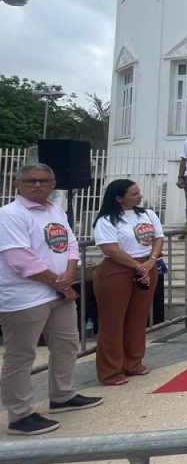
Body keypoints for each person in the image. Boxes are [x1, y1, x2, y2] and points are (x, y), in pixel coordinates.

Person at [0, 164, 102, 434]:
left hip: (59, 291)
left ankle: (63, 395)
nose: (38, 185)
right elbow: (19, 259)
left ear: (53, 184)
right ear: (17, 184)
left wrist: (69, 274)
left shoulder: (56, 211)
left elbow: (70, 245)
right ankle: (20, 414)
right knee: (21, 356)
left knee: (66, 345)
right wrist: (61, 283)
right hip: (25, 297)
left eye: (44, 181)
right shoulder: (9, 215)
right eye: (31, 181)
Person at [91, 179, 164, 386]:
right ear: (118, 198)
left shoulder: (147, 214)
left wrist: (150, 261)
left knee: (138, 318)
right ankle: (111, 370)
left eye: (138, 192)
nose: (139, 196)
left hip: (147, 266)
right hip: (118, 269)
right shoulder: (107, 219)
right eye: (134, 194)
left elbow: (158, 238)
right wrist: (137, 266)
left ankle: (133, 362)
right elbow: (110, 248)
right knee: (113, 322)